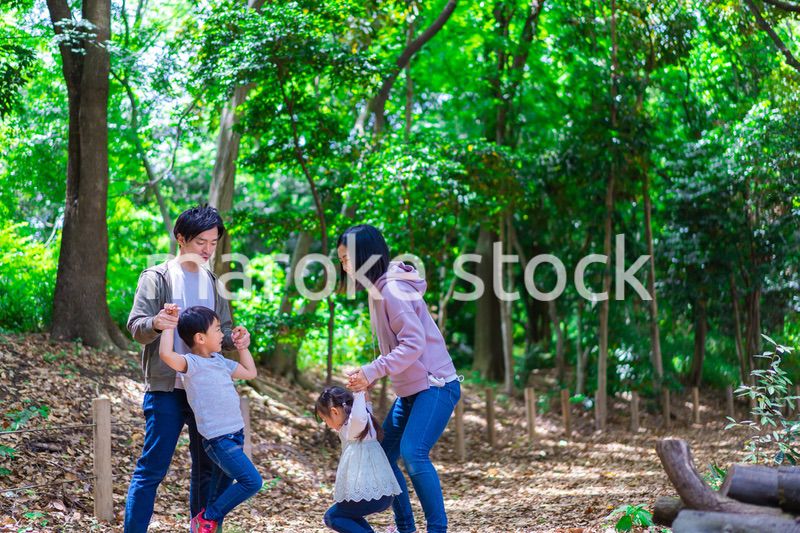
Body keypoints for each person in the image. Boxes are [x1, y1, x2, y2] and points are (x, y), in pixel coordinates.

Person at [124, 206, 250, 531]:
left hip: (205, 393)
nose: (208, 250)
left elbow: (221, 330)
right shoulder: (156, 278)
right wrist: (156, 322)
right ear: (181, 239)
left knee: (207, 470)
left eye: (213, 243)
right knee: (152, 469)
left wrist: (236, 337)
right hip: (167, 388)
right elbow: (136, 327)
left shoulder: (214, 282)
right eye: (200, 243)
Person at [339, 224, 462, 533]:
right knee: (384, 453)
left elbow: (413, 343)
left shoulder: (391, 291)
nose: (343, 266)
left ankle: (437, 529)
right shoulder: (378, 290)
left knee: (413, 453)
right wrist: (369, 376)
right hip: (412, 390)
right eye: (340, 260)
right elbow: (396, 350)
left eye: (346, 258)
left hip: (436, 385)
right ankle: (405, 527)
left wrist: (371, 371)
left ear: (364, 256)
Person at [158, 304, 262, 531]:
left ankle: (207, 523)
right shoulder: (192, 364)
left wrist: (242, 346)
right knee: (252, 481)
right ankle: (205, 518)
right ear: (200, 338)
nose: (222, 333)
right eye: (217, 329)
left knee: (218, 495)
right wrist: (169, 323)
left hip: (236, 435)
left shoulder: (219, 360)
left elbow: (250, 372)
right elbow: (165, 354)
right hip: (218, 440)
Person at [315, 386, 401, 533]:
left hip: (373, 496)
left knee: (332, 516)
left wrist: (359, 391)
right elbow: (366, 407)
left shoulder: (355, 426)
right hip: (382, 496)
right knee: (348, 516)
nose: (326, 424)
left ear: (334, 412)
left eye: (325, 419)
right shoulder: (366, 423)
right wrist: (363, 392)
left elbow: (359, 415)